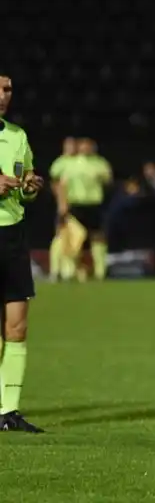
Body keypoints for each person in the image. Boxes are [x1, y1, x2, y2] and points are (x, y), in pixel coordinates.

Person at [0, 72, 46, 433]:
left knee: (16, 326)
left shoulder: (17, 136)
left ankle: (8, 411)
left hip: (12, 235)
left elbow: (25, 180)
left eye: (8, 89)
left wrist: (31, 185)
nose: (4, 95)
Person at [57, 138, 113, 281]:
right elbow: (61, 185)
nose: (85, 148)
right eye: (83, 146)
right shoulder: (72, 164)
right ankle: (70, 270)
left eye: (88, 146)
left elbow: (108, 182)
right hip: (76, 204)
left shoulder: (100, 164)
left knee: (98, 236)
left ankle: (101, 270)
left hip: (94, 204)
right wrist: (63, 204)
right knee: (75, 237)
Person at [48, 137, 77, 282]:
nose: (72, 148)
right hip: (64, 204)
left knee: (73, 238)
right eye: (69, 145)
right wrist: (61, 203)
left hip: (76, 204)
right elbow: (56, 185)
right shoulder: (60, 163)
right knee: (60, 237)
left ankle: (68, 270)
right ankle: (55, 270)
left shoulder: (78, 162)